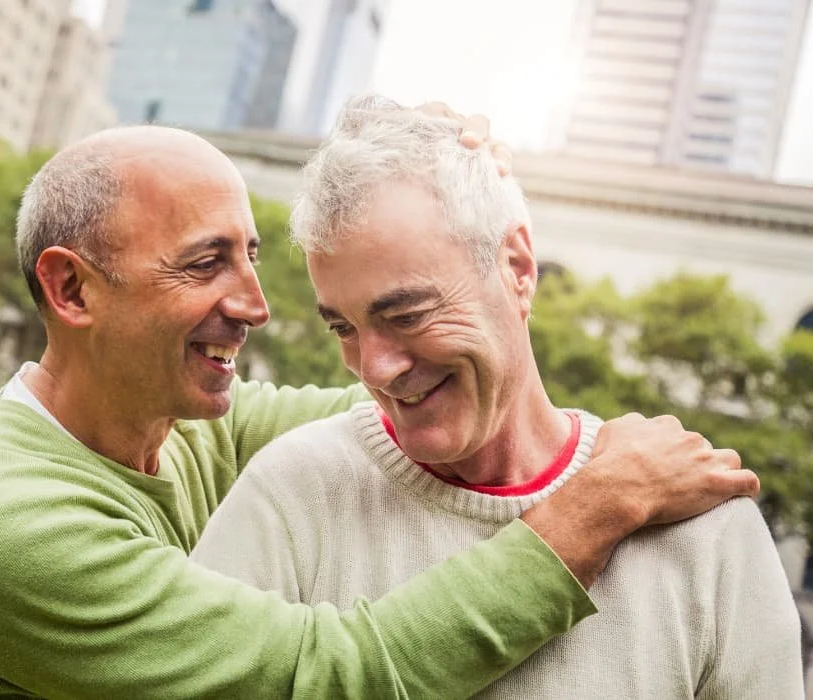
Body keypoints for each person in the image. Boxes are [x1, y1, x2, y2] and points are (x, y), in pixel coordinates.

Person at [0, 109, 759, 699]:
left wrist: (431, 180)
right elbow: (327, 678)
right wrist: (596, 505)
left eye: (252, 256)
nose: (254, 303)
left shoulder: (189, 424)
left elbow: (397, 408)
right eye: (204, 264)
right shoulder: (0, 529)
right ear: (71, 289)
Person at [190, 97, 803, 698]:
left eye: (406, 314)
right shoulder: (291, 492)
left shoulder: (709, 532)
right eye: (342, 327)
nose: (373, 367)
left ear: (516, 267)